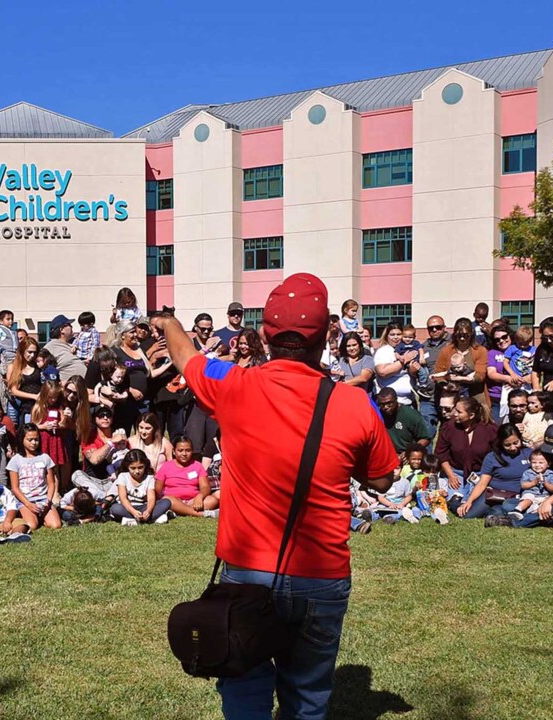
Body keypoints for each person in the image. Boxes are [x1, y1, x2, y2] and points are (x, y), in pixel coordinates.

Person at [150, 272, 397, 717]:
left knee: (243, 688)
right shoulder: (355, 404)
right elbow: (382, 480)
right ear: (325, 338)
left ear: (265, 334)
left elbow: (187, 358)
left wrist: (168, 323)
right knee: (306, 699)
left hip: (246, 572)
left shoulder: (234, 386)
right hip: (321, 575)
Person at [456, 424, 531, 519]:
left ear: (520, 439)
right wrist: (469, 501)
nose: (513, 448)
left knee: (501, 511)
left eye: (516, 443)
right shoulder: (492, 457)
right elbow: (482, 482)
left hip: (515, 496)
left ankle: (492, 511)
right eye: (507, 445)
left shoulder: (529, 453)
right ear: (501, 443)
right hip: (492, 494)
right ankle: (454, 503)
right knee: (468, 515)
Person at [434, 396, 498, 506]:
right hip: (456, 472)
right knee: (454, 501)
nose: (454, 414)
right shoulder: (449, 427)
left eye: (459, 412)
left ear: (471, 415)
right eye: (455, 410)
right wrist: (451, 475)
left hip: (479, 474)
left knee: (473, 501)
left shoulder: (489, 429)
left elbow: (496, 454)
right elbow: (441, 453)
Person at [7, 424, 61, 530]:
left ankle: (43, 517)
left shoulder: (45, 458)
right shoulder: (15, 460)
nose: (33, 443)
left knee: (56, 525)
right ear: (22, 439)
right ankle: (27, 516)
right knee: (32, 526)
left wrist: (48, 501)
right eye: (30, 440)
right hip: (26, 500)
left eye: (36, 439)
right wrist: (28, 504)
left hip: (43, 498)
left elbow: (51, 483)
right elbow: (15, 488)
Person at [153, 436, 216, 518]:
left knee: (212, 500)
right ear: (174, 452)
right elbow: (158, 490)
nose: (184, 454)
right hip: (173, 500)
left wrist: (199, 497)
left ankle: (179, 511)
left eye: (188, 450)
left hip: (192, 501)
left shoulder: (197, 465)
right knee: (167, 500)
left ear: (192, 451)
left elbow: (205, 487)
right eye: (180, 450)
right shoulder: (166, 466)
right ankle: (200, 514)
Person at [434, 318, 489, 410]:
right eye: (459, 335)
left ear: (471, 333)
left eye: (466, 335)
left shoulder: (480, 350)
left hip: (475, 395)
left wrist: (462, 379)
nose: (462, 338)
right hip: (452, 396)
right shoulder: (446, 350)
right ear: (455, 334)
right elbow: (439, 372)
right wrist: (445, 385)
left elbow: (480, 375)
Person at [372, 323, 419, 405]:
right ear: (387, 336)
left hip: (409, 400)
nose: (395, 337)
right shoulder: (384, 351)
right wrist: (404, 360)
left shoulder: (409, 348)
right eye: (392, 334)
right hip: (389, 402)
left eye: (399, 334)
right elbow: (382, 372)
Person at [376, 388, 432, 453]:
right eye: (382, 404)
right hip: (387, 454)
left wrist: (410, 451)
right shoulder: (378, 414)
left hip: (406, 454)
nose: (385, 407)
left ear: (396, 400)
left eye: (389, 403)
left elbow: (425, 438)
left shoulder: (410, 415)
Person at [43, 315, 88, 382]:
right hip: (69, 388)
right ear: (61, 330)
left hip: (84, 386)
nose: (71, 326)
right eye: (69, 324)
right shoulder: (50, 346)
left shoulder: (72, 344)